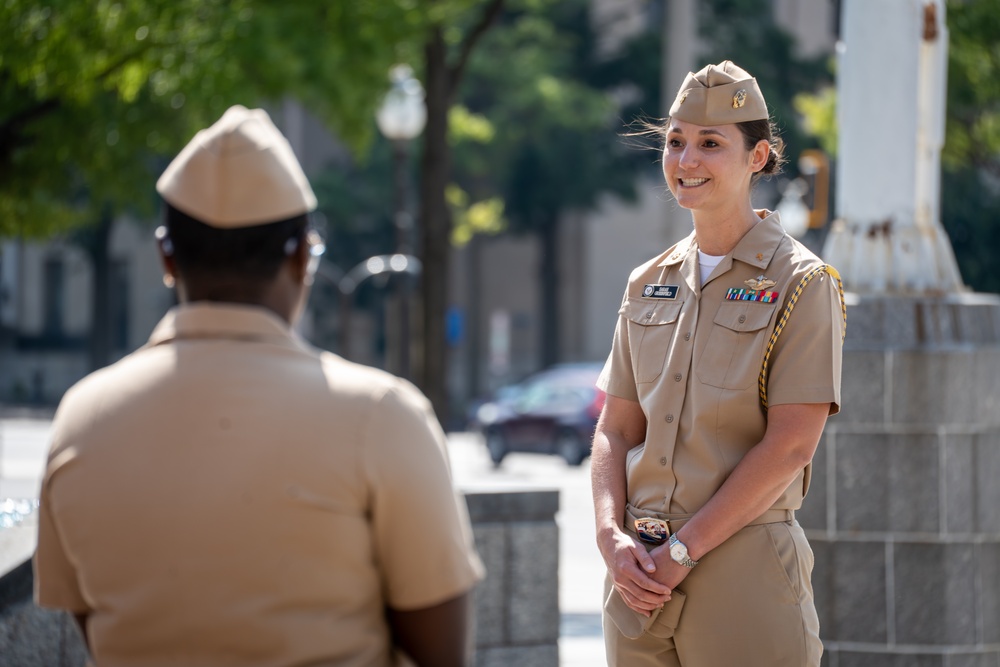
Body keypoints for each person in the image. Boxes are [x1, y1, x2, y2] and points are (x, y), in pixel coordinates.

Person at [34, 105, 484, 667]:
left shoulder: (82, 417)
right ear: (301, 257)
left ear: (166, 255)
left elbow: (88, 618)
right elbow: (441, 652)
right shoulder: (383, 415)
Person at [591, 61, 846, 666]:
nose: (686, 160)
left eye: (710, 144)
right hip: (637, 580)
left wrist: (683, 551)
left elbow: (791, 446)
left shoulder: (802, 282)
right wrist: (610, 536)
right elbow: (615, 429)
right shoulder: (647, 281)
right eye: (675, 141)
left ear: (758, 157)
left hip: (742, 571)